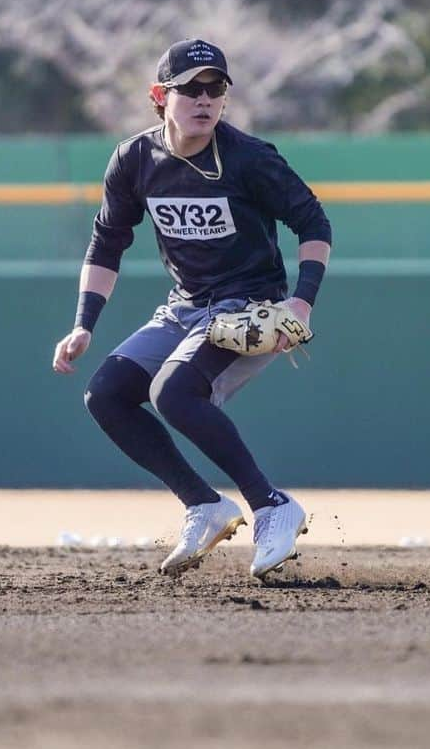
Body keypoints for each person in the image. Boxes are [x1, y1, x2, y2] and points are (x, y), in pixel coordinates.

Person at [52, 39, 332, 580]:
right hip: (186, 305)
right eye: (191, 89)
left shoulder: (249, 158)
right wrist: (84, 324)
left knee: (174, 392)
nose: (205, 99)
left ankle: (271, 506)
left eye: (216, 89)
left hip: (249, 304)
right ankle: (204, 506)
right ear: (161, 96)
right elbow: (106, 243)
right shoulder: (135, 159)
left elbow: (314, 223)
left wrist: (301, 301)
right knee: (106, 395)